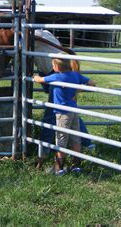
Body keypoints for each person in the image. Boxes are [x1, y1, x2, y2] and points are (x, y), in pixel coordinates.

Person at [34, 30, 93, 169]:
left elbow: (40, 80)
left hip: (60, 109)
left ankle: (57, 164)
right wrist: (77, 90)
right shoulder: (74, 75)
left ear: (56, 67)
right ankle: (79, 157)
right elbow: (91, 83)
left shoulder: (56, 76)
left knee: (60, 135)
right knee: (74, 135)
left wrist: (34, 77)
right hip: (72, 108)